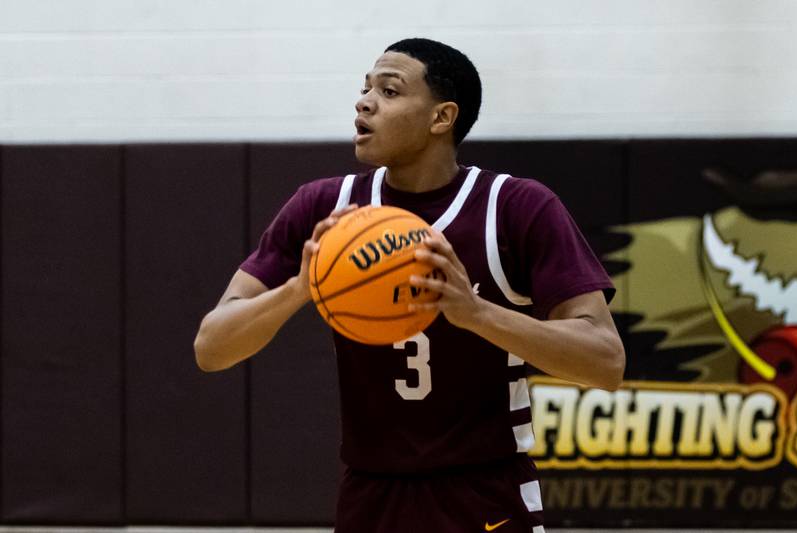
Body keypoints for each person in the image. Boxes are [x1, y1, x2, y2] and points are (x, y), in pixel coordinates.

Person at [194, 37, 625, 532]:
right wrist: (298, 290)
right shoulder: (324, 209)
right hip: (370, 493)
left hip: (484, 492)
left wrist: (478, 313)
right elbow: (212, 346)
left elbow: (606, 363)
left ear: (442, 117)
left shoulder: (516, 207)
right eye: (364, 89)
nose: (364, 101)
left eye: (390, 90)